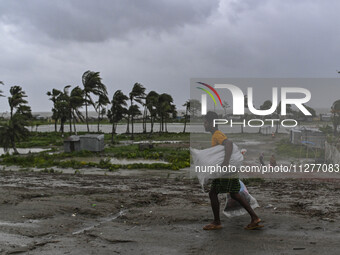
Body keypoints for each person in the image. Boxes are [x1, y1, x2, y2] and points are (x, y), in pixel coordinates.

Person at [202, 111, 262, 230]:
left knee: (213, 193)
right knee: (234, 194)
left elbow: (228, 143)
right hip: (229, 171)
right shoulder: (216, 134)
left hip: (226, 171)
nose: (204, 125)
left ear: (211, 123)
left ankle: (217, 222)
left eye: (205, 122)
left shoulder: (217, 134)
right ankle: (255, 218)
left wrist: (225, 162)